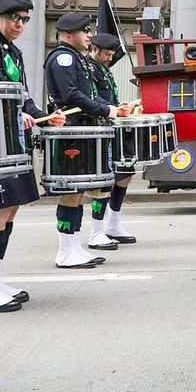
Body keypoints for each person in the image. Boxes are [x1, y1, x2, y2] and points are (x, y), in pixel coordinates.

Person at [0, 0, 65, 311]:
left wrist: (44, 116)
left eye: (25, 19)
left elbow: (22, 97)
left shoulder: (11, 52)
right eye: (15, 17)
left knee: (9, 209)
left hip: (11, 144)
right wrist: (14, 115)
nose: (20, 24)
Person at [44, 12, 130, 269]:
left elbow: (86, 94)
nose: (89, 35)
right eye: (85, 31)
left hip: (82, 131)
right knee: (71, 192)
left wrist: (110, 108)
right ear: (69, 34)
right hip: (72, 131)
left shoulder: (75, 59)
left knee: (78, 192)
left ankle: (73, 247)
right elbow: (71, 95)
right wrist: (107, 110)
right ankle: (66, 251)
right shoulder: (62, 58)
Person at [86, 32, 137, 249]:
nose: (110, 58)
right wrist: (113, 110)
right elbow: (90, 98)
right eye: (107, 54)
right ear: (94, 49)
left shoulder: (103, 69)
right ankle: (97, 230)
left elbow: (108, 97)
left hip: (111, 126)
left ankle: (113, 223)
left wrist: (121, 105)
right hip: (98, 129)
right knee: (105, 180)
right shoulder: (87, 69)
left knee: (126, 171)